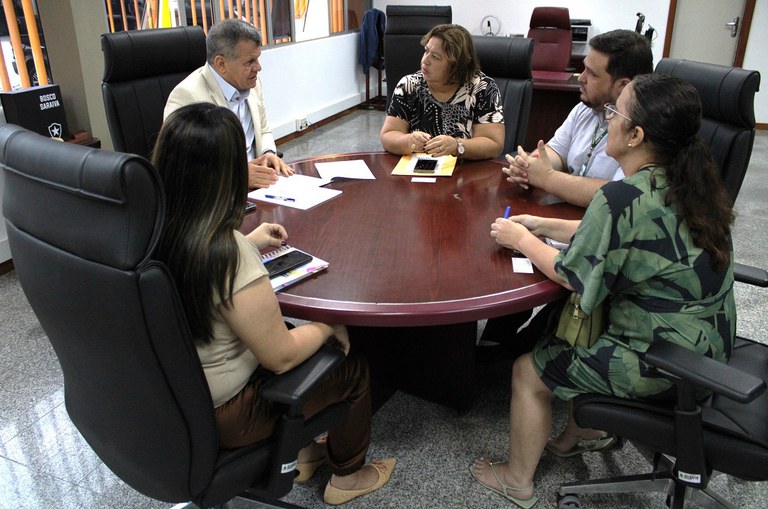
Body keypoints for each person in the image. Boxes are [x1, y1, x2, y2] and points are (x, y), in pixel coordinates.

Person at [471, 74, 736, 507]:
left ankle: (516, 480)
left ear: (635, 135)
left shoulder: (620, 197)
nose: (606, 118)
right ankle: (582, 431)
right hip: (707, 348)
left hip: (663, 362)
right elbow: (624, 235)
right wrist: (541, 225)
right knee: (562, 322)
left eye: (615, 112)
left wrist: (520, 240)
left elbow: (569, 274)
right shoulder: (690, 184)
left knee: (527, 371)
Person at [152, 103, 395, 506]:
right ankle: (348, 477)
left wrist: (250, 242)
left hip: (175, 398)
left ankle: (305, 452)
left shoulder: (156, 227)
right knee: (348, 364)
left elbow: (195, 268)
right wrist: (325, 326)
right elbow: (280, 357)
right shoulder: (224, 253)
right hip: (229, 412)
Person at [479, 29, 653, 351]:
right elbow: (554, 154)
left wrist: (545, 178)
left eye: (591, 72)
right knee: (509, 251)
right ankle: (496, 340)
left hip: (606, 242)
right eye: (582, 67)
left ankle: (516, 352)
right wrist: (530, 165)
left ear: (623, 85)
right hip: (574, 223)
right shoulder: (585, 110)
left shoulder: (637, 138)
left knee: (526, 251)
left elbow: (614, 197)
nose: (580, 77)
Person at [164, 18, 293, 190]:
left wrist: (267, 153)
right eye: (250, 61)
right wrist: (237, 176)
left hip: (257, 187)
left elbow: (263, 129)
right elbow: (182, 168)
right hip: (218, 195)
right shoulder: (187, 96)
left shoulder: (252, 83)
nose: (259, 67)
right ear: (221, 63)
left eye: (258, 59)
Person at [379, 24, 505, 160]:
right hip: (417, 171)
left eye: (435, 57)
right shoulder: (409, 85)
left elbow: (494, 144)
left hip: (466, 172)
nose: (425, 61)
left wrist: (457, 146)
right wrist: (408, 141)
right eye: (426, 51)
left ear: (456, 65)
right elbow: (388, 135)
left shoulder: (482, 88)